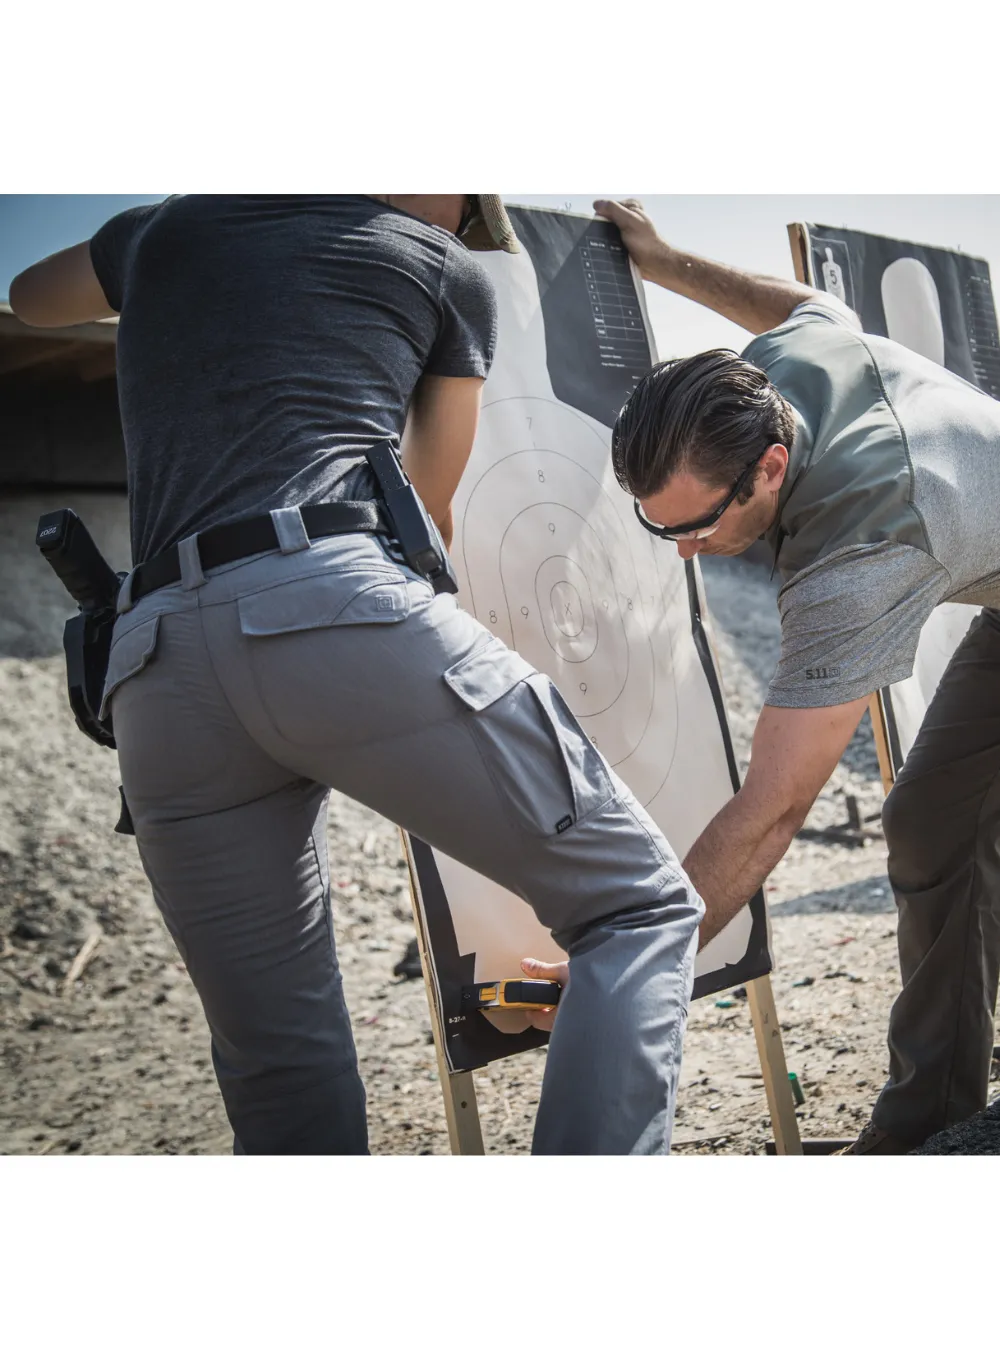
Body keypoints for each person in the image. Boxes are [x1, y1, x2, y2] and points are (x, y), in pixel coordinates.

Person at [9, 194, 702, 1155]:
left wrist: (174, 248)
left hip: (153, 666)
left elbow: (31, 295)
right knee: (637, 905)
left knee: (278, 1063)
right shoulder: (439, 264)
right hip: (334, 608)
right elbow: (433, 511)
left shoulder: (161, 232)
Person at [594, 196, 1000, 1154]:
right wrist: (659, 259)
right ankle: (930, 1122)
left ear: (772, 465)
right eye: (661, 526)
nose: (684, 550)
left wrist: (634, 965)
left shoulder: (859, 557)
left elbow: (771, 813)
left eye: (699, 524)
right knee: (933, 813)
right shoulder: (773, 375)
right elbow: (805, 304)